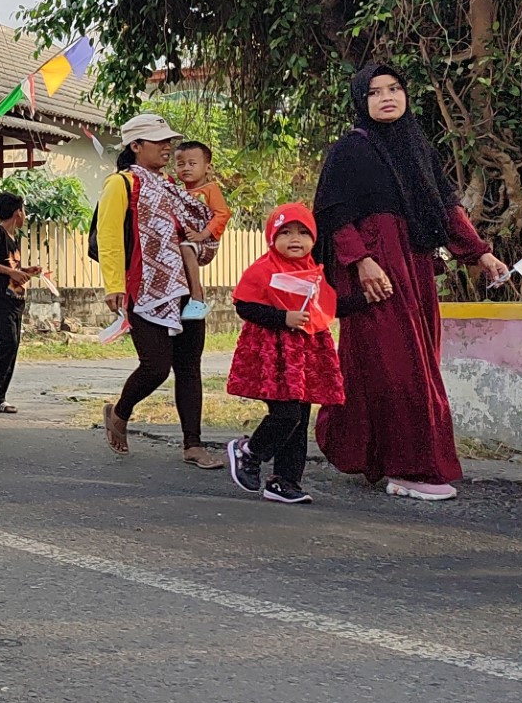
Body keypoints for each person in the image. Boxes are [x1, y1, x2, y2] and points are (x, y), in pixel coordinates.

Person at [314, 63, 508, 501]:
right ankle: (410, 468)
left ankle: (364, 451)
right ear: (361, 101)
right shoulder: (350, 150)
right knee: (401, 366)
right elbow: (334, 215)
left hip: (415, 268)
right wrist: (360, 262)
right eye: (375, 91)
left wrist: (480, 253)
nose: (387, 97)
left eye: (395, 88)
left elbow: (445, 209)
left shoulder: (417, 149)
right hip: (378, 273)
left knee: (394, 364)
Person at [98, 113, 223, 469]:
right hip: (145, 287)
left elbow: (191, 231)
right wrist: (114, 286)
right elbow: (108, 236)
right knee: (155, 367)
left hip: (186, 287)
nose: (167, 146)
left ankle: (193, 445)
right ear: (135, 146)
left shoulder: (171, 187)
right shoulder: (121, 184)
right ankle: (120, 413)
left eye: (168, 140)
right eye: (158, 140)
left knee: (189, 366)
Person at [226, 203, 344, 505]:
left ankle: (284, 482)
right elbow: (245, 305)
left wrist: (367, 299)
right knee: (286, 414)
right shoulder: (263, 269)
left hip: (303, 355)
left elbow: (328, 307)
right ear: (272, 237)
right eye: (286, 232)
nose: (296, 239)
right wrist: (283, 319)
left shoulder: (314, 272)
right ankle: (249, 452)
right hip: (273, 354)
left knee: (299, 419)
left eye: (304, 232)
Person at [0, 193, 39, 414]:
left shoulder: (12, 240)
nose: (25, 216)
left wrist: (24, 272)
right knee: (6, 343)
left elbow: (9, 269)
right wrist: (11, 271)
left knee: (13, 347)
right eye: (24, 211)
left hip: (14, 300)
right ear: (17, 212)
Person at [173, 140, 230, 321]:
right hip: (189, 241)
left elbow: (222, 214)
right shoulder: (178, 192)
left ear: (207, 167)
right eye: (180, 164)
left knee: (185, 248)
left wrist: (201, 235)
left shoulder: (210, 189)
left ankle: (197, 298)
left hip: (205, 242)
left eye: (192, 163)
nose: (186, 168)